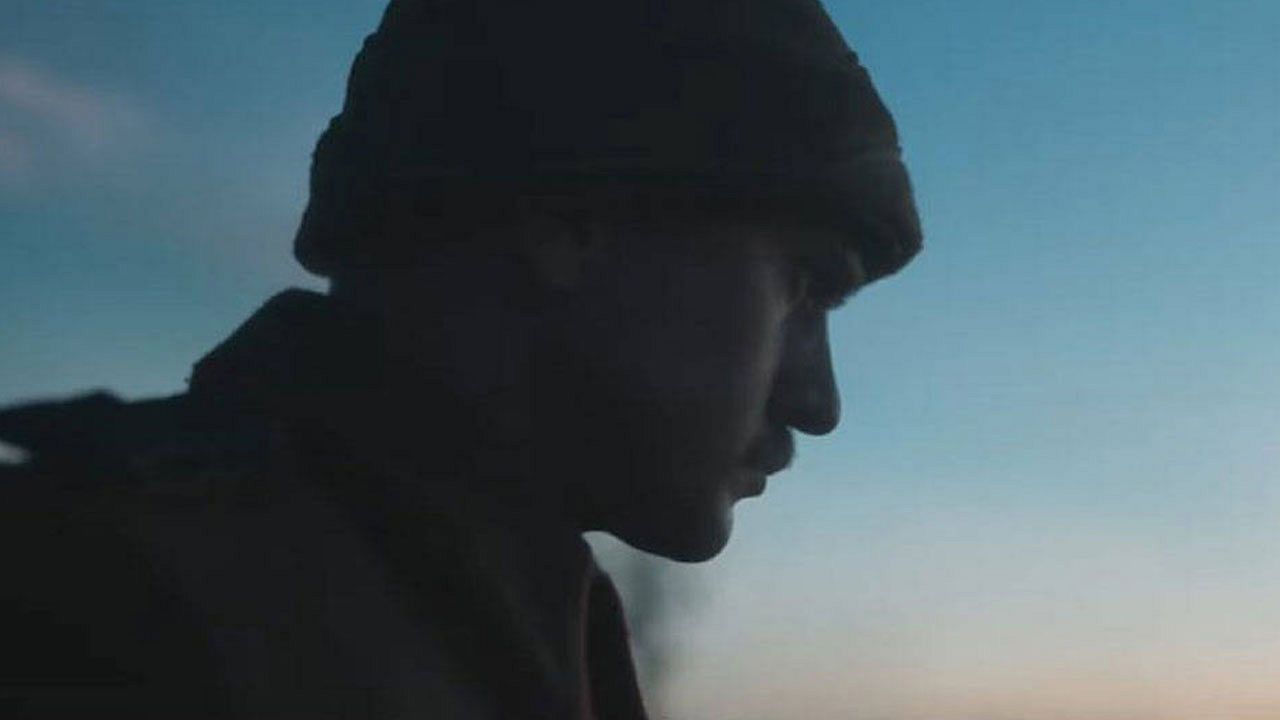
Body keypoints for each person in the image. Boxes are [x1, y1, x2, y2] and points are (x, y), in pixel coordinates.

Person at [0, 0, 921, 716]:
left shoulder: (488, 620)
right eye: (804, 286)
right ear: (575, 218)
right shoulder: (94, 608)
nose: (819, 403)